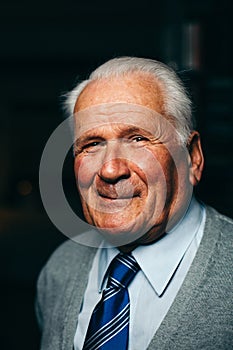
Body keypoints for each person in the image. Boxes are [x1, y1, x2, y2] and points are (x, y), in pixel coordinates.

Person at [36, 57, 233, 350]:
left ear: (192, 157)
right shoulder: (59, 270)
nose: (110, 170)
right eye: (91, 144)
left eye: (138, 138)